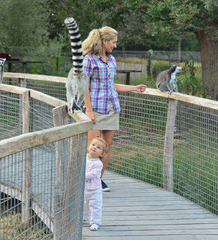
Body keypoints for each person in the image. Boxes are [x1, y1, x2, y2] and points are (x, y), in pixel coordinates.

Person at [82, 26, 147, 192]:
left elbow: (110, 85)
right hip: (96, 108)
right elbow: (84, 86)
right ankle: (85, 180)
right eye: (113, 42)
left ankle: (97, 180)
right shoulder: (89, 59)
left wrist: (133, 88)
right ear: (104, 41)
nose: (115, 45)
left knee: (106, 147)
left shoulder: (111, 60)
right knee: (93, 147)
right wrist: (89, 110)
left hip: (111, 108)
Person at [83, 137, 108, 231]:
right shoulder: (84, 157)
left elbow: (92, 174)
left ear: (102, 154)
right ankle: (83, 217)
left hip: (94, 190)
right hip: (84, 188)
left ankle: (95, 222)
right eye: (93, 145)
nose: (94, 147)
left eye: (98, 147)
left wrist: (81, 175)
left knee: (95, 206)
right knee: (84, 204)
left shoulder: (98, 164)